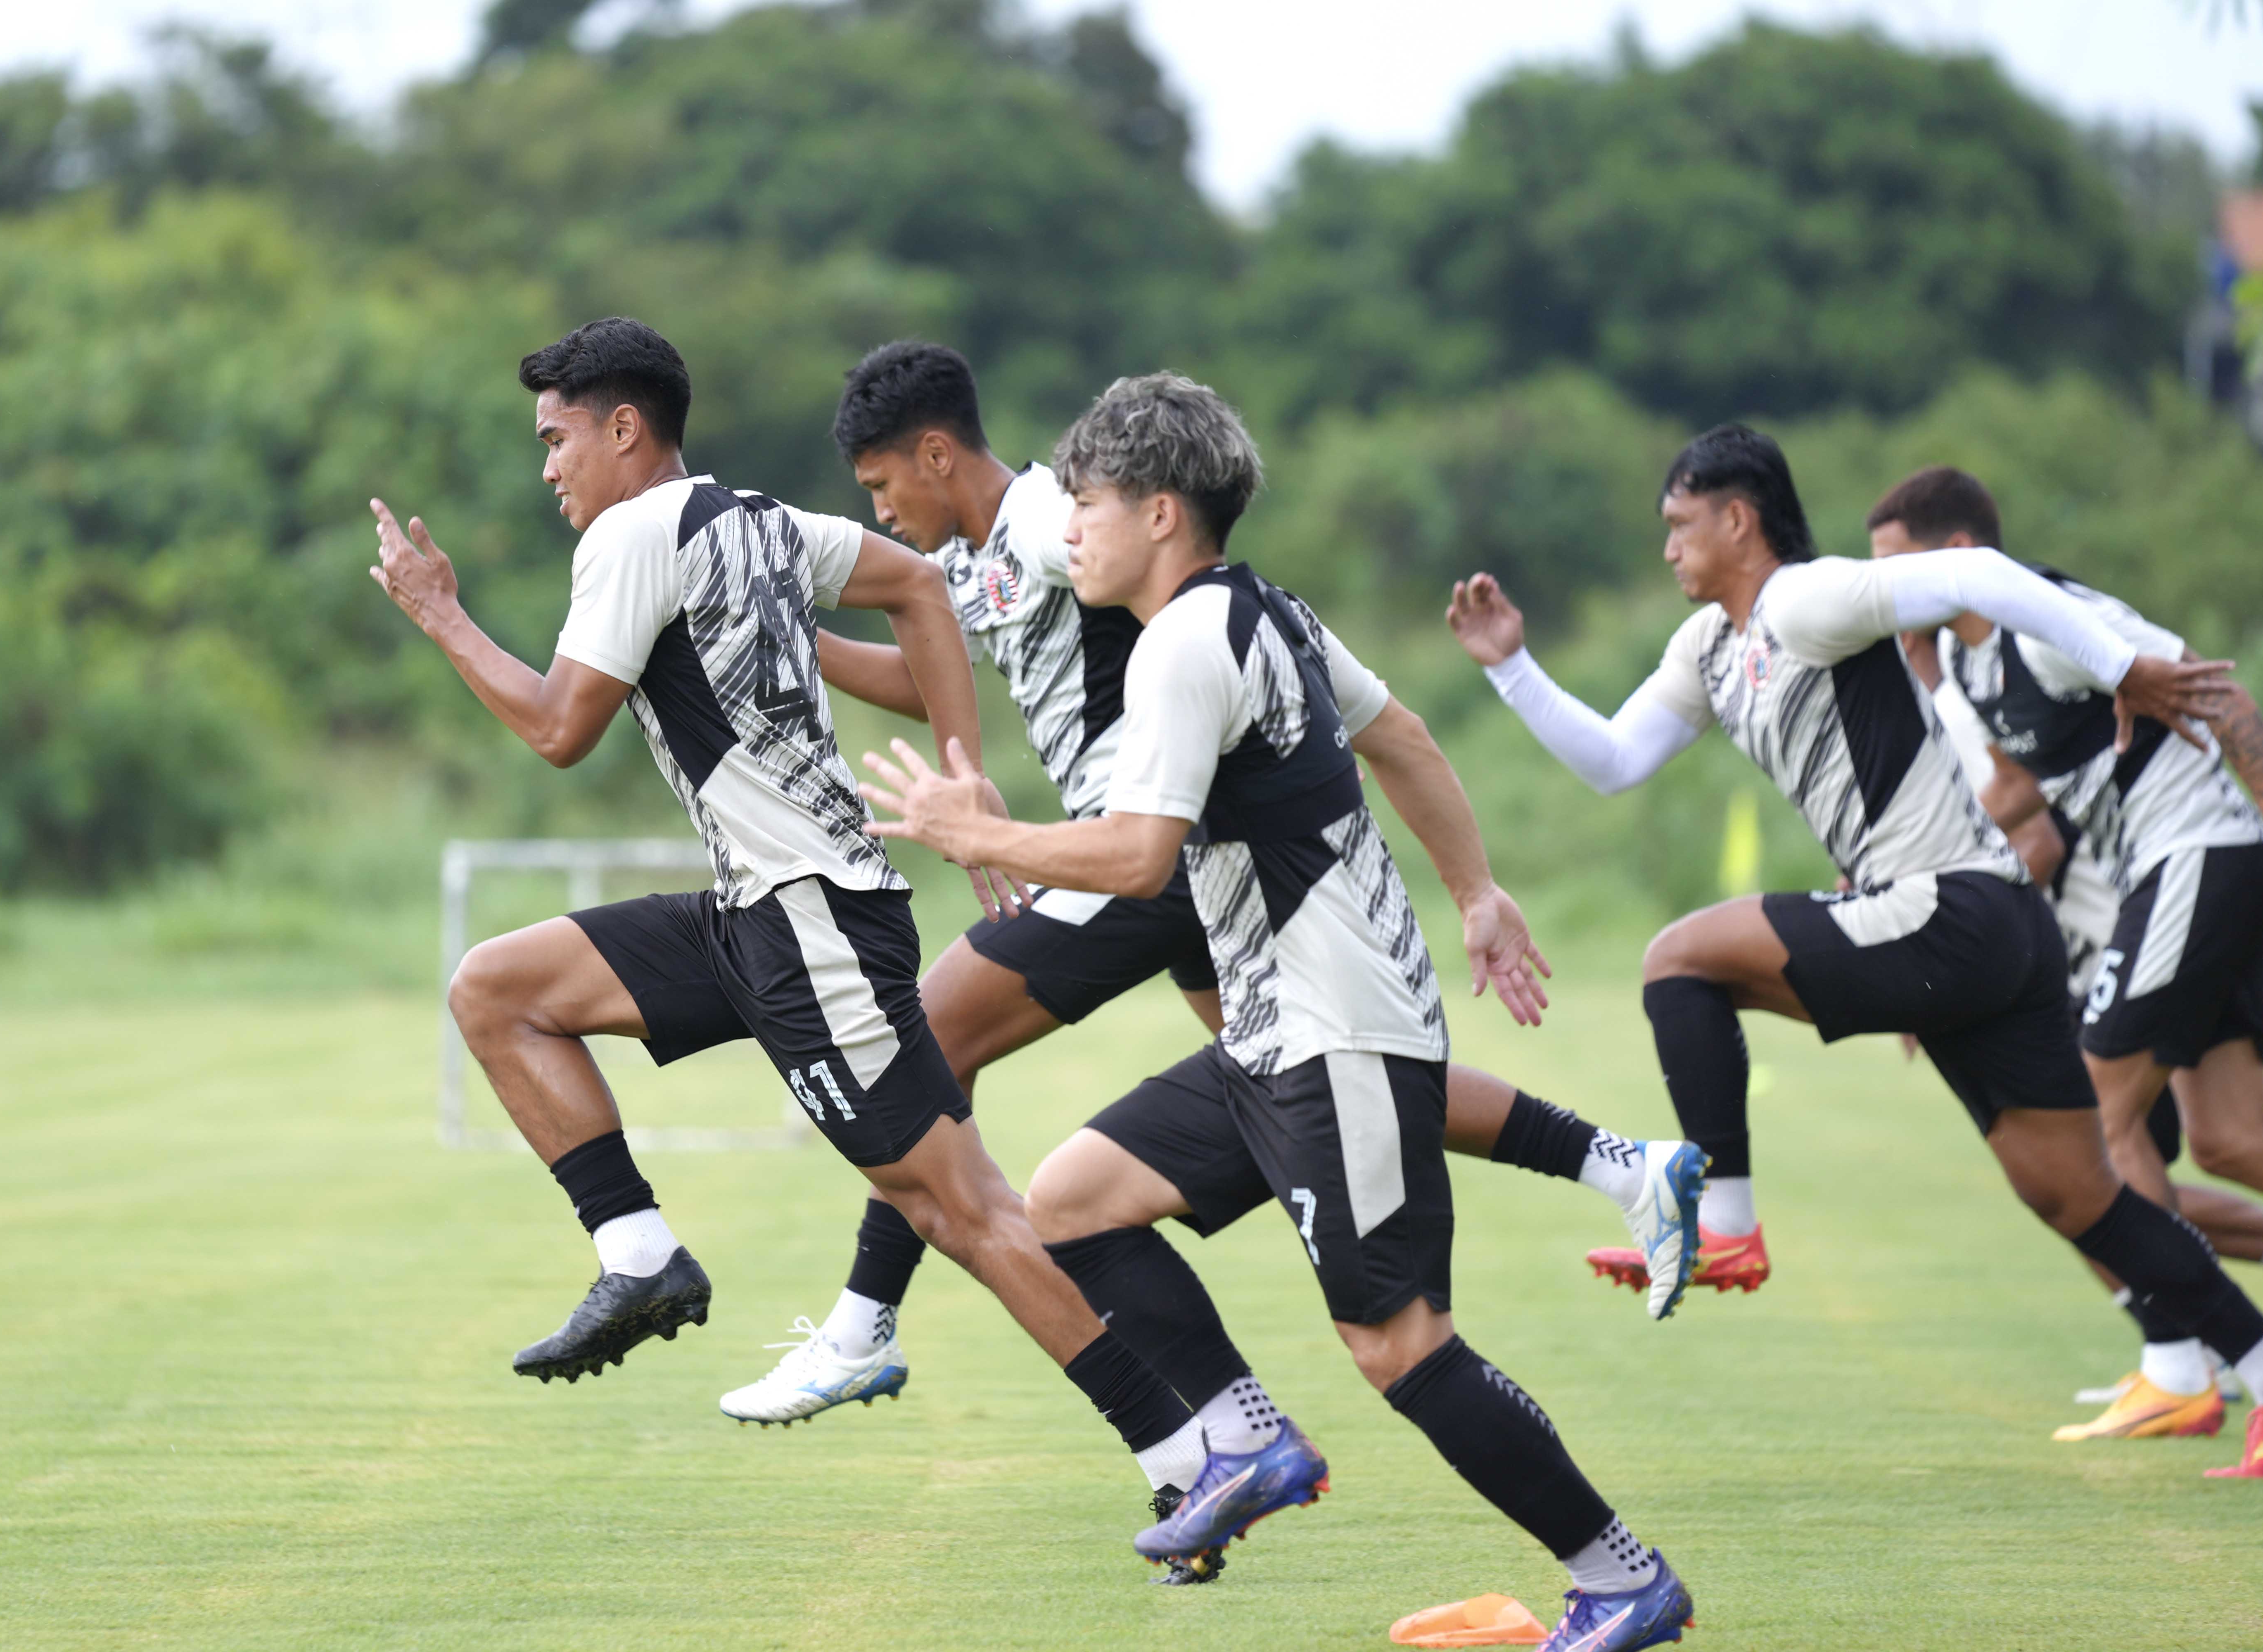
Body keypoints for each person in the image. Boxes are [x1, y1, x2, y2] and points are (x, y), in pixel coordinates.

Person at [719, 342, 1709, 1429]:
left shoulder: (1056, 522)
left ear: (937, 454)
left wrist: (1005, 827)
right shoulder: (975, 565)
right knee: (1301, 1084)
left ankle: (865, 1324)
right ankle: (1621, 1164)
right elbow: (924, 679)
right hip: (1178, 874)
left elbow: (1140, 558)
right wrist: (795, 640)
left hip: (1138, 860)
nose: (884, 513)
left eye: (882, 488)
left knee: (925, 1041)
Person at [862, 373, 1697, 1652]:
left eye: (1082, 503)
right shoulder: (1270, 614)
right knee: (1078, 1197)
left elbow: (1140, 858)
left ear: (1158, 513)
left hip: (1335, 1028)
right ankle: (1246, 1440)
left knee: (1400, 1346)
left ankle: (1621, 1577)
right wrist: (1474, 891)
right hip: (1277, 1027)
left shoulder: (1188, 642)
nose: (1064, 529)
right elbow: (1405, 737)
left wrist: (982, 831)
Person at [363, 315, 1209, 1529]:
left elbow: (558, 731)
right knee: (499, 990)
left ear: (622, 428)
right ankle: (641, 1257)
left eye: (556, 440)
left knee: (960, 1210)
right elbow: (921, 597)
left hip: (812, 925)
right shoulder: (758, 519)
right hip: (759, 909)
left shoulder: (630, 537)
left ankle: (1183, 1451)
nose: (546, 467)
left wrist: (442, 614)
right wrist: (961, 767)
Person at [1446, 422, 2263, 1479]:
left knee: (1678, 958)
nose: (1669, 551)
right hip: (2002, 924)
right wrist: (1512, 667)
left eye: (1680, 526)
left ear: (1737, 519)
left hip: (1951, 911)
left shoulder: (1803, 599)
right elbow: (1613, 759)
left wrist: (2124, 667)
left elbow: (1974, 569)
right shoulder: (1708, 649)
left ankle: (1727, 1220)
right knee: (2080, 1195)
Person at [1863, 464, 2263, 1439]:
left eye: (1900, 569)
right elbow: (2022, 795)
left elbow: (2223, 698)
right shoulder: (1970, 661)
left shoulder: (2053, 619)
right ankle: (2222, 1339)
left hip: (2199, 856)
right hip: (2172, 869)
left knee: (2094, 1121)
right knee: (2231, 1137)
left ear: (1963, 557)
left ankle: (2181, 1360)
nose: (1887, 593)